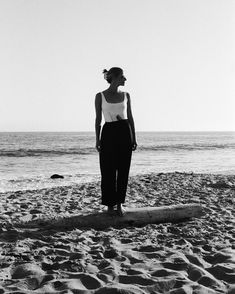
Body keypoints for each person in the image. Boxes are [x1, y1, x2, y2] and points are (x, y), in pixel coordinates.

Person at [95, 67, 137, 216]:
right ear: (115, 77)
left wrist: (134, 137)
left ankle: (119, 204)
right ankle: (109, 205)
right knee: (107, 169)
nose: (125, 79)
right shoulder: (100, 96)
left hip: (124, 131)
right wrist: (97, 139)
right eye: (122, 77)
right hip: (108, 132)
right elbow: (98, 120)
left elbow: (130, 118)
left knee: (123, 169)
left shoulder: (126, 95)